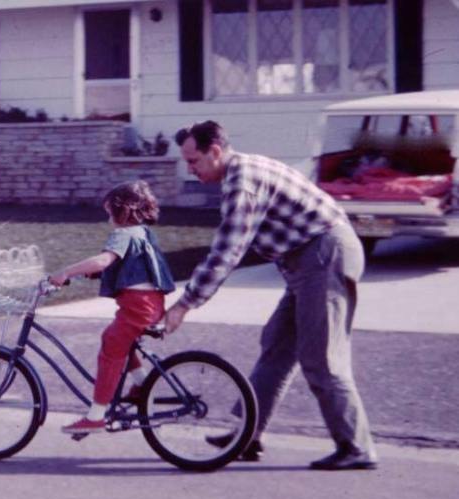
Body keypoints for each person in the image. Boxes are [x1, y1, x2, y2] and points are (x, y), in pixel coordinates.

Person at [164, 121, 378, 471]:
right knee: (277, 345)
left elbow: (227, 251)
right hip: (309, 259)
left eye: (193, 161)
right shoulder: (241, 171)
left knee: (322, 357)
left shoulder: (242, 182)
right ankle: (247, 435)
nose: (190, 169)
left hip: (324, 255)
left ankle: (356, 447)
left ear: (215, 151)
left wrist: (184, 304)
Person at [49, 180, 176, 434]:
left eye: (110, 213)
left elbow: (104, 260)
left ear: (123, 212)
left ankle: (96, 416)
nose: (109, 220)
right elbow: (133, 267)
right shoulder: (143, 232)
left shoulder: (123, 234)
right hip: (151, 304)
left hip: (137, 307)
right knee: (114, 338)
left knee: (111, 349)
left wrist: (66, 272)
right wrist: (92, 273)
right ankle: (142, 385)